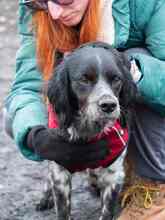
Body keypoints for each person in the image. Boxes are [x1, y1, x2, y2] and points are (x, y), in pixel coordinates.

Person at [4, 0, 165, 219]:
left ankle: (153, 185)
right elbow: (26, 87)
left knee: (139, 54)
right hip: (77, 109)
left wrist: (132, 71)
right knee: (14, 119)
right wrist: (36, 136)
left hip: (129, 92)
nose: (54, 12)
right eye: (43, 1)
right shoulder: (37, 8)